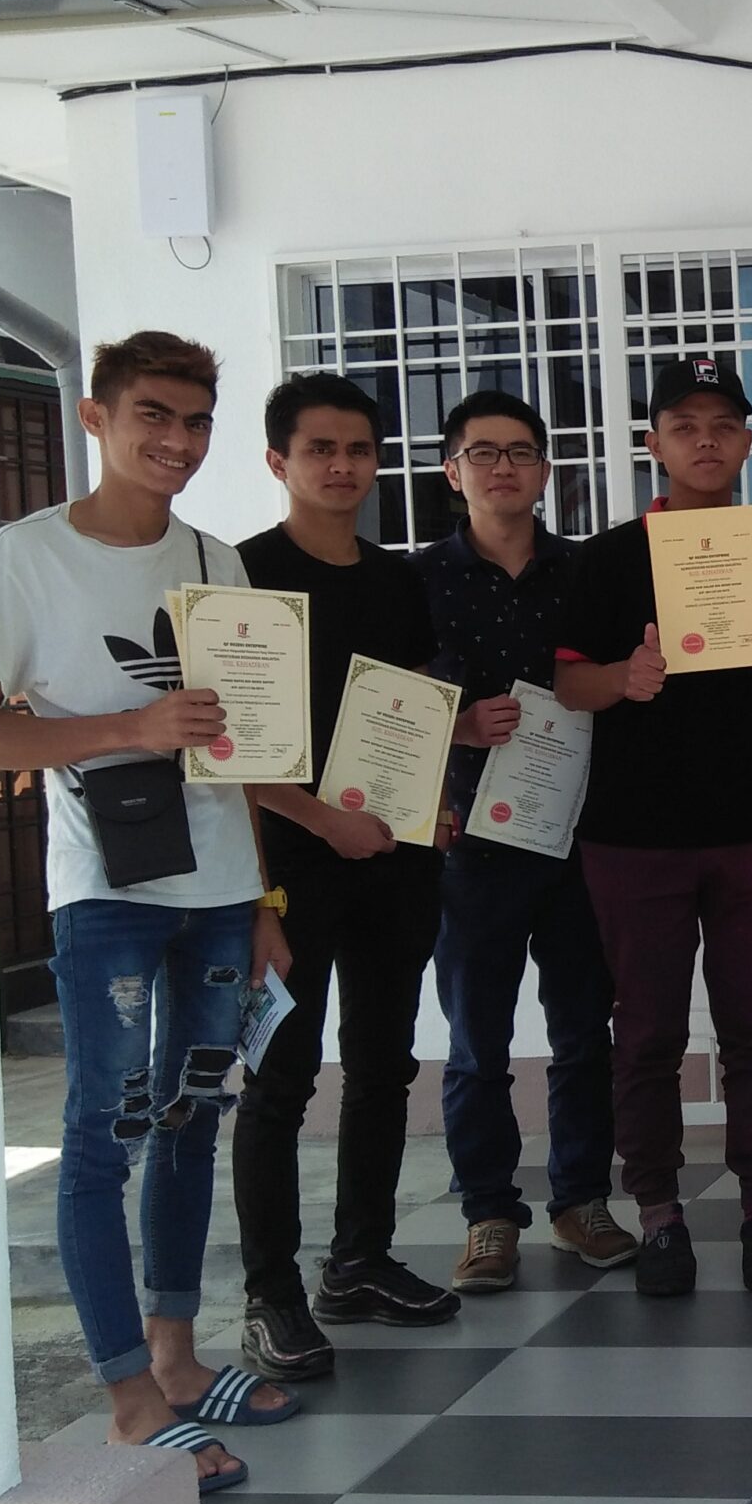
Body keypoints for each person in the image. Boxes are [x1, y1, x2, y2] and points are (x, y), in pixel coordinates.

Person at [0, 331, 299, 1493]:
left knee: (189, 1121)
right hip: (106, 890)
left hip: (218, 888)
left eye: (196, 421)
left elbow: (247, 745)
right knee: (102, 1136)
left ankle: (176, 1358)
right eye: (153, 416)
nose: (177, 441)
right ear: (96, 418)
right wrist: (127, 728)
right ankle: (124, 1402)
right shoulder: (23, 556)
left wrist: (263, 897)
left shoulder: (216, 557)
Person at [553, 358, 752, 1297]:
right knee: (648, 1034)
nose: (706, 440)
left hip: (744, 827)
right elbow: (567, 683)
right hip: (633, 834)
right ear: (653, 443)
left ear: (747, 443)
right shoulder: (607, 558)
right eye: (685, 425)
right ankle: (659, 1214)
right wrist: (625, 678)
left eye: (724, 425)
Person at [235, 374, 464, 1381]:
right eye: (319, 449)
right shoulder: (243, 575)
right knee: (279, 1081)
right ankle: (271, 1294)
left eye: (358, 450)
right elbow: (229, 749)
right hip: (288, 867)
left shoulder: (398, 580)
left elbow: (412, 712)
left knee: (382, 1066)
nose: (341, 466)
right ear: (277, 460)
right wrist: (322, 820)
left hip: (392, 860)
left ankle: (359, 1261)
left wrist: (432, 804)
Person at [414, 391, 631, 1294]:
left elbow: (616, 681)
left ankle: (581, 1200)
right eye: (483, 452)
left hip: (582, 834)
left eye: (521, 452)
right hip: (471, 840)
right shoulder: (419, 580)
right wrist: (457, 726)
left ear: (545, 470)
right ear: (452, 470)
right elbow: (388, 703)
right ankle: (489, 1214)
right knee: (478, 1042)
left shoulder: (588, 572)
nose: (503, 467)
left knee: (584, 1032)